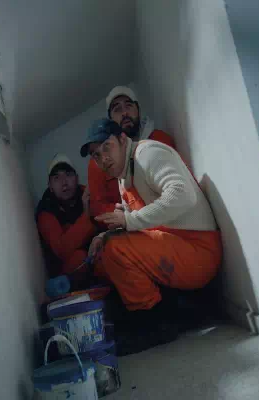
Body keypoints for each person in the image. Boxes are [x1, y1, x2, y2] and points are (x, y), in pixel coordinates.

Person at [80, 119, 222, 355]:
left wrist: (128, 221)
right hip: (177, 246)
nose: (103, 158)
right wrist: (106, 233)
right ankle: (165, 311)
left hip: (199, 250)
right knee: (106, 250)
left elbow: (182, 195)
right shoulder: (125, 175)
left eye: (106, 147)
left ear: (122, 140)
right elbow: (136, 222)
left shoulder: (147, 154)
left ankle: (154, 325)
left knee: (116, 249)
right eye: (96, 155)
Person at [87, 86, 176, 227]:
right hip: (129, 224)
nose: (124, 113)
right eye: (117, 109)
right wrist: (121, 214)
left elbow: (179, 191)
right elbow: (97, 207)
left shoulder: (158, 140)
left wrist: (132, 217)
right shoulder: (98, 161)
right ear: (110, 120)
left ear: (138, 109)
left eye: (128, 106)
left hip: (168, 220)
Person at [35, 154, 97, 289]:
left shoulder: (86, 193)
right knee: (79, 257)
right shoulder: (46, 210)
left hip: (95, 254)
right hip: (67, 271)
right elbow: (62, 250)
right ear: (50, 186)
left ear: (77, 178)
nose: (64, 182)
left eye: (68, 175)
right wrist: (86, 216)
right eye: (57, 178)